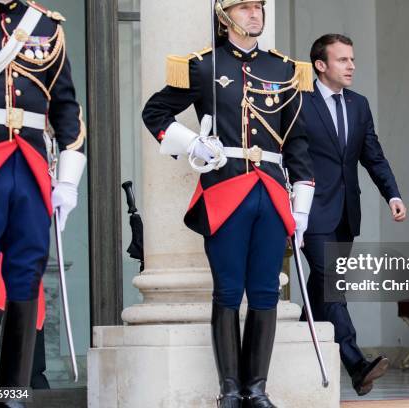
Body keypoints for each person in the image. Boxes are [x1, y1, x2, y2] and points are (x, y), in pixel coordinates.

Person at [142, 1, 314, 406]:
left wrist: (302, 205)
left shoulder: (284, 70)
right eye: (245, 7)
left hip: (272, 191)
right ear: (225, 16)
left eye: (259, 7)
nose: (255, 15)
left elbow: (298, 142)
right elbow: (155, 112)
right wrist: (192, 144)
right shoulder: (203, 66)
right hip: (225, 188)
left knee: (266, 292)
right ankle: (229, 392)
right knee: (228, 291)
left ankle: (256, 390)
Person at [0, 0, 86, 406]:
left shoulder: (47, 25)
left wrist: (67, 180)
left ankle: (12, 393)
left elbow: (66, 106)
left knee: (27, 273)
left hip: (31, 166)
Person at [299, 34, 407, 396]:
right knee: (331, 281)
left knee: (320, 292)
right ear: (320, 65)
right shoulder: (299, 101)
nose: (352, 66)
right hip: (310, 211)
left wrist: (391, 193)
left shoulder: (359, 105)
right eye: (343, 60)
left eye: (352, 59)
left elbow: (372, 154)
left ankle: (297, 350)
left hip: (346, 213)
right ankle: (356, 363)